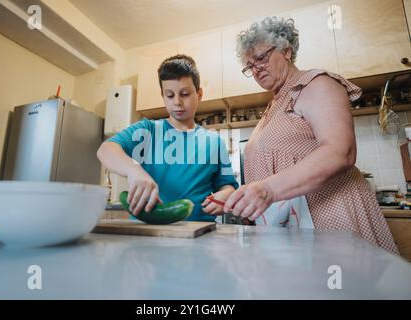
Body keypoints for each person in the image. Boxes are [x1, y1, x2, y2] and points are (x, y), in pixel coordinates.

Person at [222, 17, 398, 253]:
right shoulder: (275, 104)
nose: (256, 69)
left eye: (261, 58)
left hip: (330, 216)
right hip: (294, 227)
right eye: (249, 65)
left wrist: (269, 189)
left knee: (346, 287)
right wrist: (243, 199)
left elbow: (340, 151)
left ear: (286, 49)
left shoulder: (315, 84)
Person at [97, 54, 238, 221]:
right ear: (162, 95)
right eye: (170, 95)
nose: (177, 102)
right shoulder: (147, 130)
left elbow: (228, 187)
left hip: (200, 233)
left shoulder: (215, 142)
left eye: (185, 94)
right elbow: (106, 150)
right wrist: (134, 170)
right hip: (149, 232)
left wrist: (226, 196)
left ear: (199, 94)